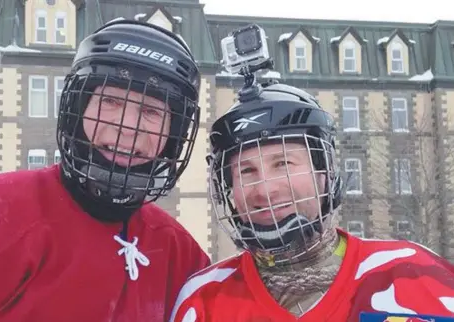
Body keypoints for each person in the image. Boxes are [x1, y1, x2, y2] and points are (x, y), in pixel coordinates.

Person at [0, 19, 210, 322]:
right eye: (111, 101)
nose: (127, 127)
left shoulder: (182, 257)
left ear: (173, 135)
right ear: (78, 107)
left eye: (151, 111)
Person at [169, 79, 454, 321]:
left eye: (283, 163)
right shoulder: (204, 300)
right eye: (246, 171)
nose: (265, 189)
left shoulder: (414, 274)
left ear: (324, 174)